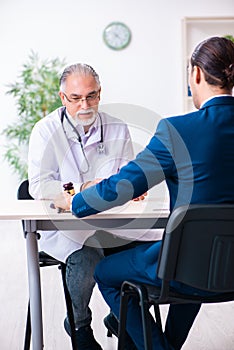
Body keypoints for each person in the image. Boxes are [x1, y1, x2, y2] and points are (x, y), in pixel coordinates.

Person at [54, 36, 234, 350]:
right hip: (226, 269)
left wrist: (76, 202)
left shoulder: (178, 130)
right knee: (191, 264)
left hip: (189, 267)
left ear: (195, 75)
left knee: (107, 271)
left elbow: (122, 186)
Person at [28, 63, 136, 349]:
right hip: (66, 225)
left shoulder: (117, 127)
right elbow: (38, 185)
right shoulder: (45, 131)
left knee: (139, 252)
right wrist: (84, 190)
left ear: (100, 94)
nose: (84, 105)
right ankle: (78, 323)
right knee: (88, 257)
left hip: (113, 221)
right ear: (63, 98)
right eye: (75, 98)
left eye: (91, 96)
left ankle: (122, 318)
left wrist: (130, 189)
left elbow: (127, 178)